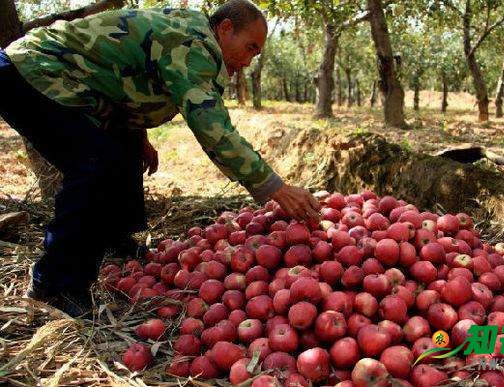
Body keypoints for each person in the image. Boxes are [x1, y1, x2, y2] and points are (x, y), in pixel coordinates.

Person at [0, 0, 320, 317]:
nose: (249, 61)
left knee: (121, 149)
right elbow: (215, 131)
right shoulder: (194, 45)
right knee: (95, 161)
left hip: (69, 82)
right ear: (225, 28)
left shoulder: (190, 31)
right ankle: (54, 283)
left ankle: (114, 240)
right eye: (250, 47)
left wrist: (137, 135)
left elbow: (131, 78)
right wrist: (275, 188)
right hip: (32, 72)